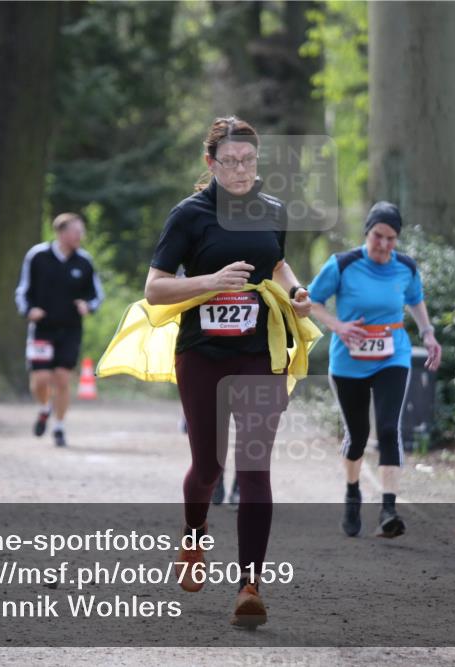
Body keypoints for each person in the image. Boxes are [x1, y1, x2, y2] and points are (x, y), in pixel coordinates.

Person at [143, 116, 313, 627]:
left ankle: (249, 587)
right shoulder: (189, 216)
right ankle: (193, 538)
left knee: (255, 467)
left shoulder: (274, 211)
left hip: (259, 352)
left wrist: (296, 291)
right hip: (202, 355)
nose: (240, 170)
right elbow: (155, 289)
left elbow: (276, 264)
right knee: (209, 468)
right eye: (230, 161)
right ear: (210, 163)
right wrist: (210, 282)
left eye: (249, 161)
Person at [307, 201, 441, 538]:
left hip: (391, 356)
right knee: (358, 436)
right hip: (348, 362)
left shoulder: (405, 267)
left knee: (387, 427)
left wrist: (428, 333)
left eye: (391, 238)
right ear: (367, 232)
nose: (383, 244)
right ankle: (353, 493)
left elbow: (415, 299)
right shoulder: (342, 264)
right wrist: (338, 326)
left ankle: (388, 509)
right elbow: (311, 301)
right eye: (378, 236)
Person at [14, 212, 104, 448]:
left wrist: (88, 305)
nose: (80, 236)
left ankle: (59, 427)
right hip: (42, 328)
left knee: (62, 379)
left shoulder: (84, 261)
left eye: (82, 231)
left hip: (70, 329)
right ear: (61, 232)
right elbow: (23, 289)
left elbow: (96, 295)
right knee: (41, 379)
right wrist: (28, 310)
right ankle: (45, 408)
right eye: (76, 231)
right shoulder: (37, 256)